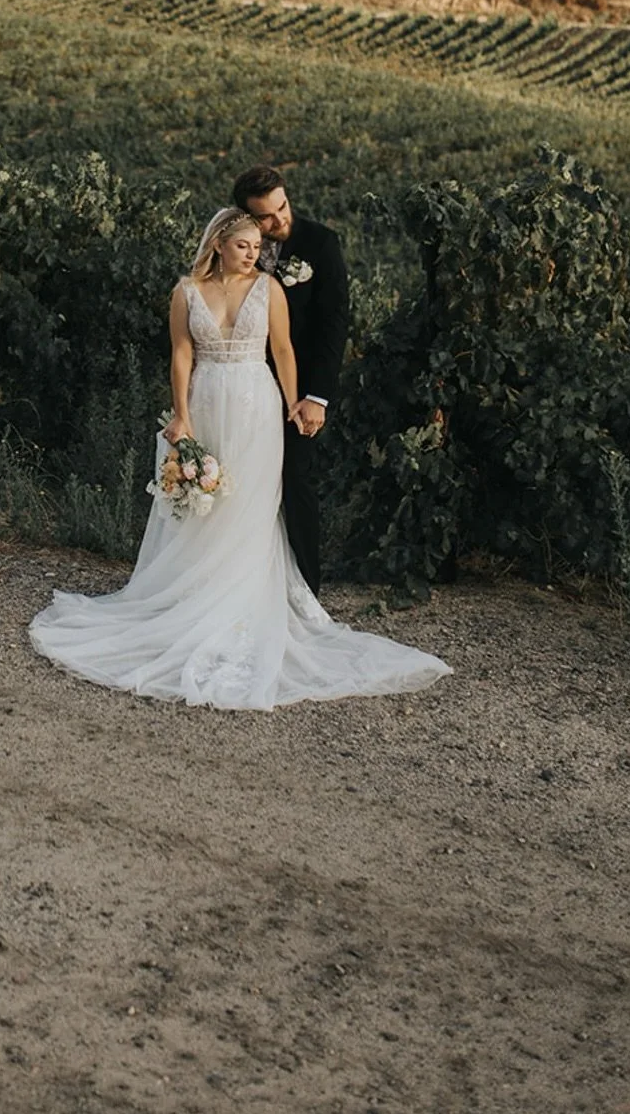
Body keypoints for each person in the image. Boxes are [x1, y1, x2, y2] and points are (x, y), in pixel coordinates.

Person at [27, 208, 451, 710]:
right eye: (244, 246)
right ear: (218, 245)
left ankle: (239, 606)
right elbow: (181, 354)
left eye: (257, 247)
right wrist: (182, 417)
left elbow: (284, 349)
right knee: (205, 502)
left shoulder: (269, 289)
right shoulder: (185, 291)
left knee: (249, 506)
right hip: (206, 401)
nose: (254, 254)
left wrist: (296, 402)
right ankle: (192, 599)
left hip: (255, 403)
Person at [230, 164, 349, 599]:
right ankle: (241, 587)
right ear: (244, 217)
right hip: (242, 384)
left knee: (296, 481)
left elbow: (333, 327)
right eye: (266, 216)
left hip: (299, 393)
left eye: (282, 207)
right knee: (241, 480)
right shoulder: (235, 247)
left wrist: (315, 397)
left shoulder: (320, 243)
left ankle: (304, 594)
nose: (280, 220)